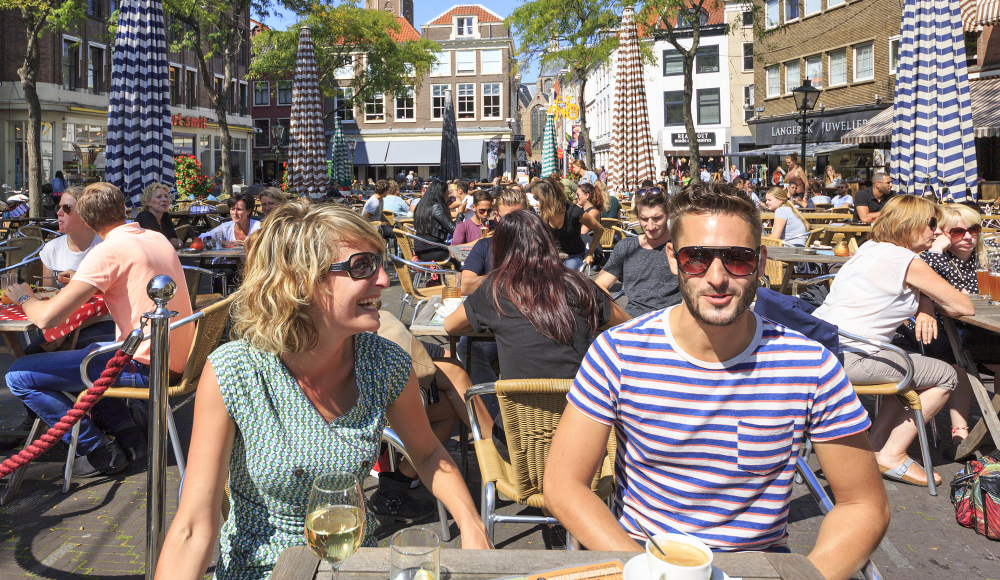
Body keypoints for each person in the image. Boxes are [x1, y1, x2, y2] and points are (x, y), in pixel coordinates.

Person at [544, 181, 889, 580]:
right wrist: (644, 568)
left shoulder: (810, 365)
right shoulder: (618, 352)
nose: (718, 277)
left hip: (760, 564)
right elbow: (563, 483)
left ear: (760, 262)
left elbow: (864, 504)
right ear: (673, 259)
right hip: (643, 559)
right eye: (697, 258)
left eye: (738, 259)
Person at [155, 204, 489, 580]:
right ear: (301, 282)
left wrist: (472, 524)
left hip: (354, 566)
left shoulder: (385, 363)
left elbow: (426, 453)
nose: (383, 280)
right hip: (262, 570)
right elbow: (193, 527)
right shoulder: (236, 372)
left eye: (379, 263)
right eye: (362, 266)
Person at [4, 182, 195, 476]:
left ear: (89, 222)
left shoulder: (107, 251)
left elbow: (45, 319)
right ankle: (129, 437)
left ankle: (96, 448)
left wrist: (23, 296)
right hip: (179, 361)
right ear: (123, 208)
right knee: (90, 352)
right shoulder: (155, 238)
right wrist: (82, 277)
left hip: (144, 366)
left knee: (18, 374)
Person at [814, 195, 975, 486]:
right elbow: (963, 307)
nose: (937, 231)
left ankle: (872, 449)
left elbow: (917, 289)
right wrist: (933, 275)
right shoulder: (907, 260)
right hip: (855, 357)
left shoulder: (870, 249)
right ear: (910, 226)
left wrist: (925, 304)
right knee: (946, 375)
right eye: (932, 224)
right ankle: (893, 454)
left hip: (824, 350)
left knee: (904, 366)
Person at [445, 209, 629, 458]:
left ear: (502, 249)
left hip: (517, 445)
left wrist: (494, 319)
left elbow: (450, 327)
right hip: (587, 444)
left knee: (462, 353)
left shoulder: (496, 289)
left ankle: (488, 435)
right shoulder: (579, 285)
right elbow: (627, 327)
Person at [900, 203, 996, 450]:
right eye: (956, 231)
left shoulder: (990, 257)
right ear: (942, 234)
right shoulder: (935, 259)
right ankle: (960, 430)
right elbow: (939, 292)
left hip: (985, 330)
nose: (966, 236)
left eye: (972, 229)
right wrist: (936, 251)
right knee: (959, 361)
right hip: (945, 332)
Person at [594, 188, 680, 317]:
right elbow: (599, 286)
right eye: (644, 219)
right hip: (632, 321)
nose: (650, 226)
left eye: (657, 218)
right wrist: (619, 317)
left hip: (673, 321)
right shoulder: (626, 247)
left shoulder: (681, 246)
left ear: (668, 215)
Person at [533, 177, 603, 270]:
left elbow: (599, 229)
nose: (537, 201)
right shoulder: (545, 211)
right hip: (553, 256)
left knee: (568, 274)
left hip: (575, 255)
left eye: (537, 197)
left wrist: (590, 253)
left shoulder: (574, 211)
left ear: (546, 197)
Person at [413, 181, 455, 262]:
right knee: (459, 254)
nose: (449, 194)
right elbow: (454, 229)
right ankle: (458, 274)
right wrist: (460, 213)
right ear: (442, 193)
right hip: (433, 250)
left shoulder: (422, 205)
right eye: (448, 191)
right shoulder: (437, 207)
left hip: (421, 248)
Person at [135, 182, 182, 249]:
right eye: (158, 197)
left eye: (166, 196)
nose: (164, 199)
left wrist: (173, 243)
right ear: (148, 202)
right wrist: (179, 244)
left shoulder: (165, 216)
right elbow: (159, 245)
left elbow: (173, 240)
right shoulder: (145, 217)